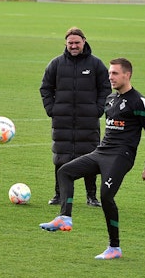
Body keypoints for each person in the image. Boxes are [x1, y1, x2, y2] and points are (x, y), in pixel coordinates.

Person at [40, 58, 145, 260]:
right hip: (101, 152)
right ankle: (64, 217)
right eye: (109, 73)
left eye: (114, 73)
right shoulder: (111, 100)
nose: (110, 76)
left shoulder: (139, 101)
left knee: (105, 196)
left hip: (121, 156)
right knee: (65, 171)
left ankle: (114, 247)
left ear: (127, 75)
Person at [40, 27, 109, 207]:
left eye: (77, 42)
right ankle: (58, 195)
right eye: (70, 43)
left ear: (84, 41)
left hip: (88, 120)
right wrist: (51, 109)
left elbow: (105, 88)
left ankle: (91, 197)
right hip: (62, 120)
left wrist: (98, 109)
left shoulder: (96, 64)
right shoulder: (56, 64)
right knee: (60, 157)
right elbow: (45, 88)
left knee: (90, 158)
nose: (74, 46)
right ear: (66, 44)